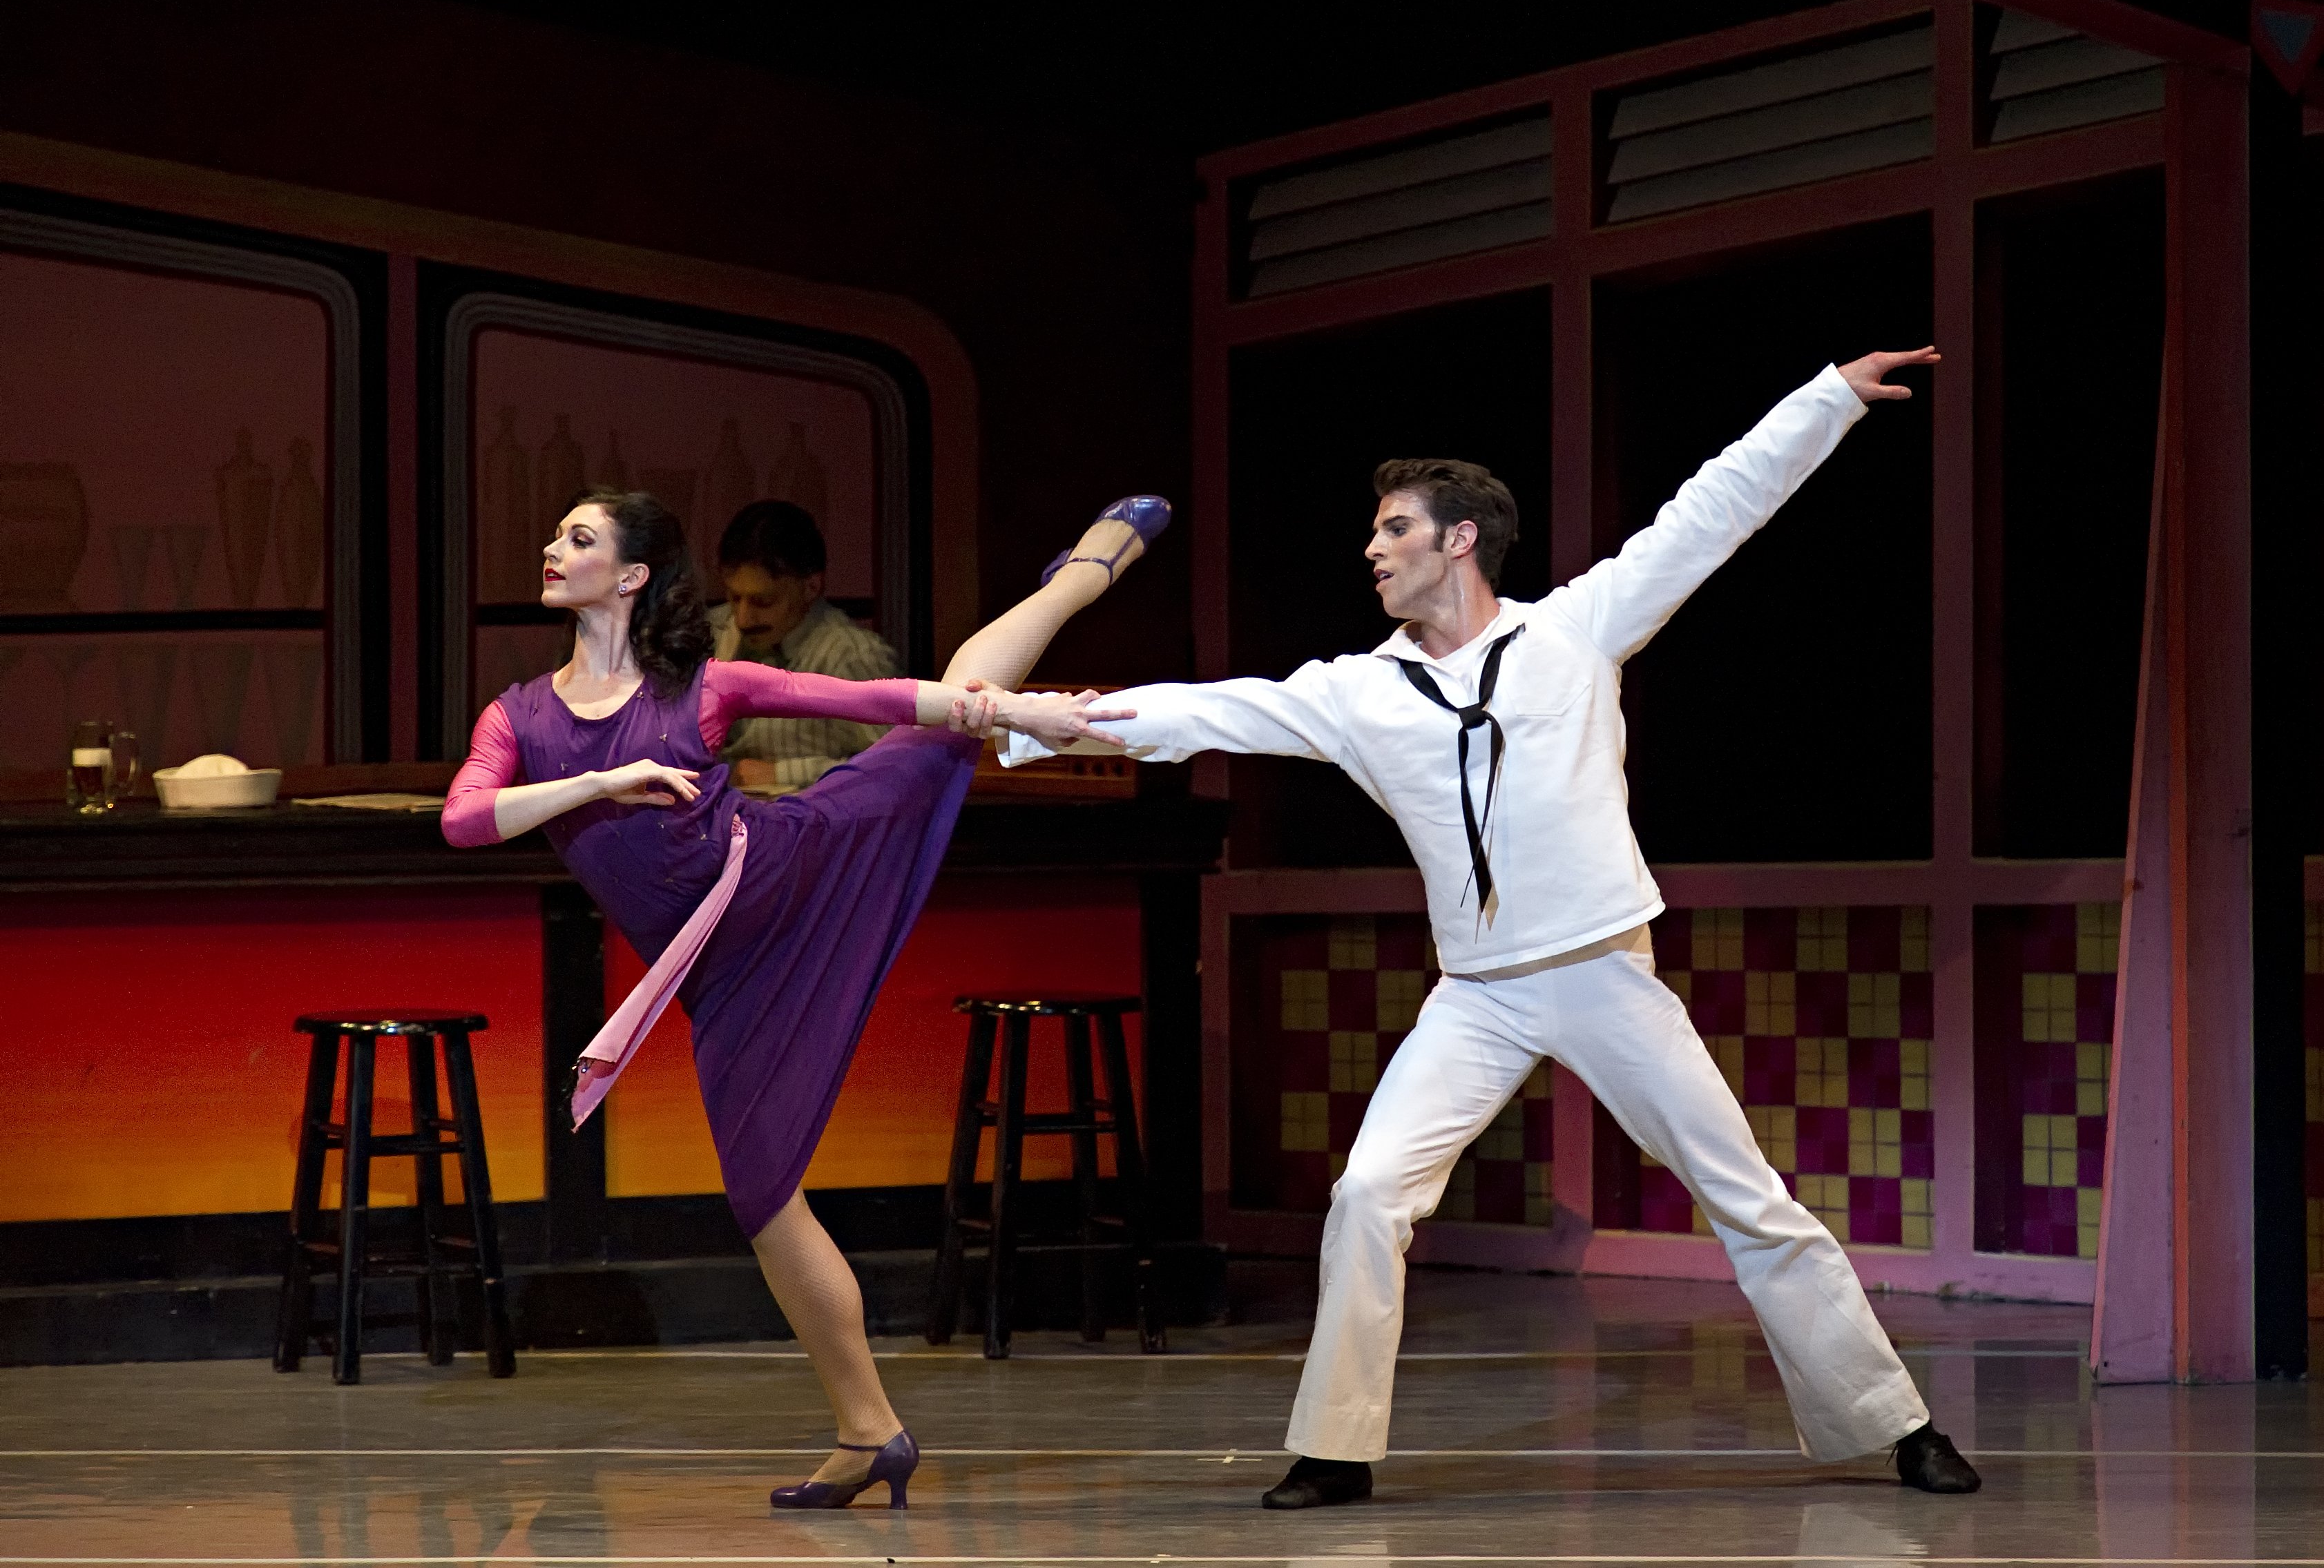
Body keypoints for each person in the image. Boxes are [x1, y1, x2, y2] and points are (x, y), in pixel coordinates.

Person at [979, 350, 1983, 1507]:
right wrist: (1030, 718)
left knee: (1746, 1195)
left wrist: (1830, 397)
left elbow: (1713, 509)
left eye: (1395, 527)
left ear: (1459, 540)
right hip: (1479, 996)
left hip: (1605, 973)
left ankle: (1897, 1424)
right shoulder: (1357, 691)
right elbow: (1204, 713)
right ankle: (1336, 1447)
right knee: (1368, 1195)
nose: (1373, 547)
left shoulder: (1577, 631)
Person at [439, 487, 1165, 1510]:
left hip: (788, 871)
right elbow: (465, 820)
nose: (553, 548)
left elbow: (885, 702)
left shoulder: (706, 685)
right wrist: (600, 786)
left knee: (937, 726)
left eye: (579, 537)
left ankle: (1085, 570)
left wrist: (1018, 714)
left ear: (634, 573)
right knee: (763, 1194)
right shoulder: (518, 714)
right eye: (556, 532)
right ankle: (871, 1430)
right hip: (720, 969)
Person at [707, 499, 898, 795]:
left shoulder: (850, 656)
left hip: (814, 831)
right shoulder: (713, 633)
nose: (743, 619)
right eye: (734, 598)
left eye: (764, 602)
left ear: (811, 587)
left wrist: (782, 772)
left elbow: (893, 767)